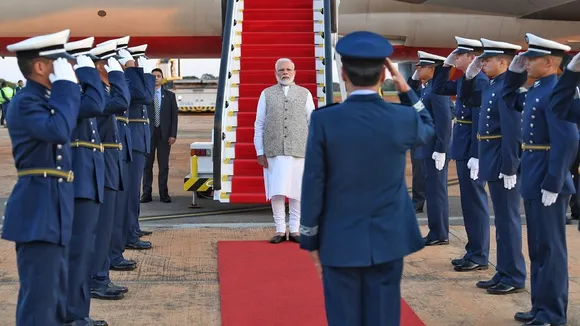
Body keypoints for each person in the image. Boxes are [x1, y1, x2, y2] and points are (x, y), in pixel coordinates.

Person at [299, 31, 434, 326]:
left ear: (344, 74)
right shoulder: (403, 118)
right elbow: (428, 128)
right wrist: (405, 90)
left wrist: (310, 237)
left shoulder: (325, 119)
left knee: (343, 318)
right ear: (384, 74)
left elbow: (313, 181)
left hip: (338, 240)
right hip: (388, 240)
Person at [2, 29, 80, 326]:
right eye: (61, 63)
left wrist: (64, 88)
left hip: (52, 206)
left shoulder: (47, 97)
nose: (69, 69)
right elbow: (58, 130)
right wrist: (66, 88)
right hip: (38, 209)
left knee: (55, 296)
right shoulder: (25, 101)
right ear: (40, 66)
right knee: (40, 301)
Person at [504, 34, 577, 326]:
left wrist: (554, 181)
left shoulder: (558, 91)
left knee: (551, 249)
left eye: (532, 59)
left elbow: (569, 140)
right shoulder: (535, 89)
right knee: (537, 248)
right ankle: (540, 307)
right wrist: (514, 72)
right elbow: (508, 100)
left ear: (549, 62)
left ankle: (553, 313)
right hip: (534, 174)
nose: (527, 63)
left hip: (549, 179)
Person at [460, 38, 527, 293]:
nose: (482, 62)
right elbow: (467, 100)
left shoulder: (507, 88)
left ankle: (514, 276)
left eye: (487, 59)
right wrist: (468, 76)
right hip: (492, 158)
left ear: (504, 62)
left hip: (502, 161)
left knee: (508, 221)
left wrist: (510, 165)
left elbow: (513, 131)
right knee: (500, 220)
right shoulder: (492, 86)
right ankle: (504, 271)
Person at [432, 36, 491, 271]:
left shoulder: (481, 82)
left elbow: (480, 121)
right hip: (463, 147)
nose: (455, 58)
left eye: (459, 55)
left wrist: (477, 153)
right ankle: (472, 250)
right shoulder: (465, 81)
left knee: (475, 202)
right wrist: (445, 67)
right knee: (468, 203)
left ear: (472, 57)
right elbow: (438, 88)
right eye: (454, 55)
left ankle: (480, 255)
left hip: (472, 149)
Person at [61, 36, 109, 325]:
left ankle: (78, 313)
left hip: (87, 177)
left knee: (83, 251)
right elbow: (97, 102)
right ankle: (72, 315)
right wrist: (88, 68)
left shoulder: (73, 91)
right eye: (76, 61)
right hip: (77, 179)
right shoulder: (64, 94)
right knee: (77, 252)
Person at [253, 57, 316, 244]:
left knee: (298, 192)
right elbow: (259, 124)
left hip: (300, 150)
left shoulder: (305, 93)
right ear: (276, 73)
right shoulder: (266, 94)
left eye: (289, 69)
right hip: (275, 150)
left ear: (294, 72)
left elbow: (313, 122)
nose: (285, 73)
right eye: (281, 70)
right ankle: (280, 230)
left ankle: (295, 230)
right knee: (277, 192)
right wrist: (259, 151)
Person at [87, 41, 132, 301]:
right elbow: (123, 100)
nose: (111, 68)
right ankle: (96, 278)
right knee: (100, 227)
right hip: (100, 165)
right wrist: (119, 73)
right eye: (107, 63)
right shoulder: (94, 93)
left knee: (106, 226)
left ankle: (101, 276)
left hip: (110, 163)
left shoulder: (102, 90)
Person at [413, 51, 452, 246]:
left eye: (422, 66)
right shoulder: (427, 88)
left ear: (432, 69)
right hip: (426, 147)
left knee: (437, 192)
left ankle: (440, 233)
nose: (418, 69)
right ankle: (435, 231)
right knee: (431, 191)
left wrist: (441, 149)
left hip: (434, 149)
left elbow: (444, 121)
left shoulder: (437, 91)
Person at [141, 64, 179, 203]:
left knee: (163, 166)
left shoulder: (170, 96)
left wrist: (173, 134)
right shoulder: (145, 95)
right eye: (153, 77)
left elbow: (174, 117)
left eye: (158, 76)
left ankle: (164, 194)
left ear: (162, 79)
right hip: (148, 135)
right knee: (147, 166)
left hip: (164, 135)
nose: (156, 79)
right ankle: (146, 194)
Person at [550, 52, 580, 229]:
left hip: (573, 136)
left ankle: (574, 209)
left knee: (569, 174)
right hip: (574, 135)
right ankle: (574, 209)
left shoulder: (569, 89)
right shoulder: (570, 88)